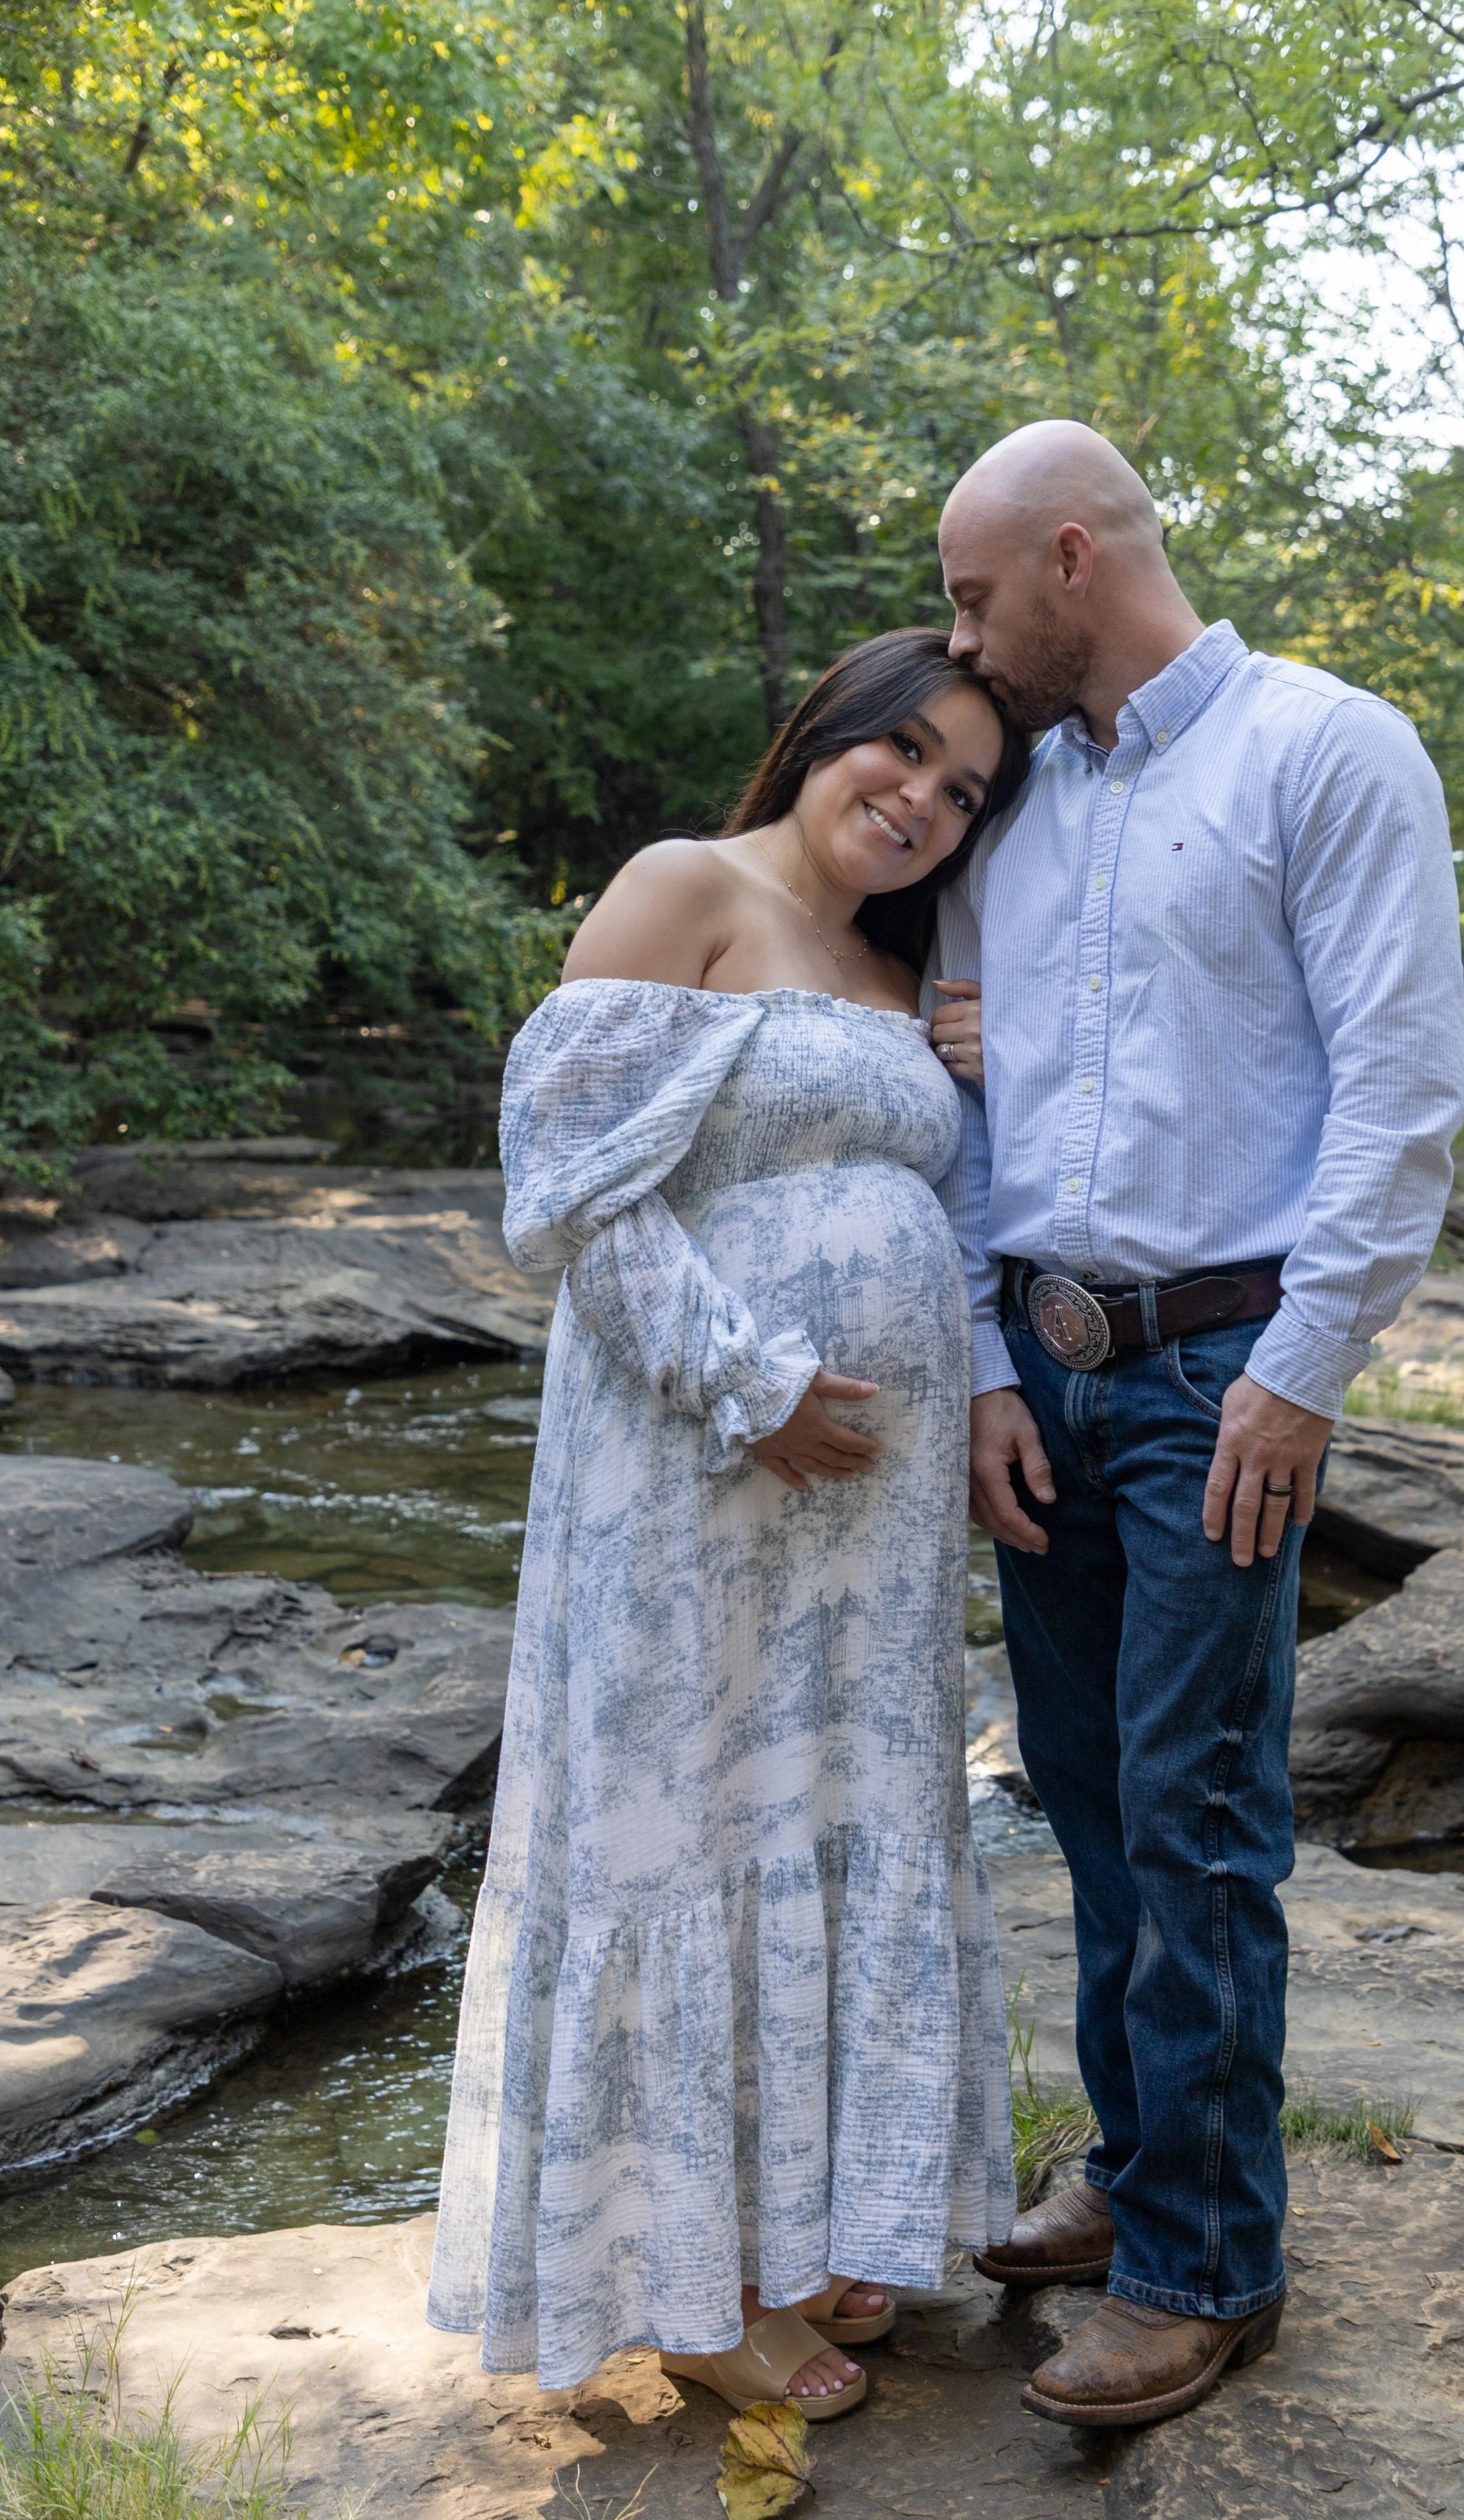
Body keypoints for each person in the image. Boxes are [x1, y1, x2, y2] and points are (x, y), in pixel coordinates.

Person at [927, 421, 1464, 2430]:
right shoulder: (1016, 803)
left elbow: (1399, 1086)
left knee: (1198, 1811)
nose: (952, 632)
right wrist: (989, 1361)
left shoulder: (1324, 751)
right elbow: (974, 1110)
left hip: (1214, 1377)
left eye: (974, 593)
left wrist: (1301, 1368)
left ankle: (1204, 2263)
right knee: (1081, 1797)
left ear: (1072, 557)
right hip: (1046, 1371)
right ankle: (1140, 2163)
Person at [428, 629, 1028, 2415]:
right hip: (692, 1475)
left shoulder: (896, 964)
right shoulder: (682, 886)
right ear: (822, 737)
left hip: (871, 1531)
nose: (919, 801)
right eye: (899, 754)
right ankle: (690, 2302)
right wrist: (747, 1386)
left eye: (961, 792)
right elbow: (568, 1180)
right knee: (682, 1827)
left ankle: (807, 2232)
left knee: (840, 1821)